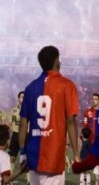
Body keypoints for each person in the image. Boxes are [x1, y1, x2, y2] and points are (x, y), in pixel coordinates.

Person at [18, 45, 80, 185]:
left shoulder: (30, 87)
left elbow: (23, 124)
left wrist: (22, 153)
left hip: (33, 155)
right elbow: (70, 121)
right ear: (57, 61)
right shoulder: (67, 85)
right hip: (53, 155)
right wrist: (76, 154)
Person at [6, 92, 23, 168]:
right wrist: (9, 138)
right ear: (18, 98)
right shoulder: (12, 111)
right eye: (21, 97)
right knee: (12, 158)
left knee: (26, 159)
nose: (23, 99)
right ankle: (9, 178)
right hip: (15, 135)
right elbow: (9, 125)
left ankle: (29, 180)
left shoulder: (30, 110)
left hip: (26, 136)